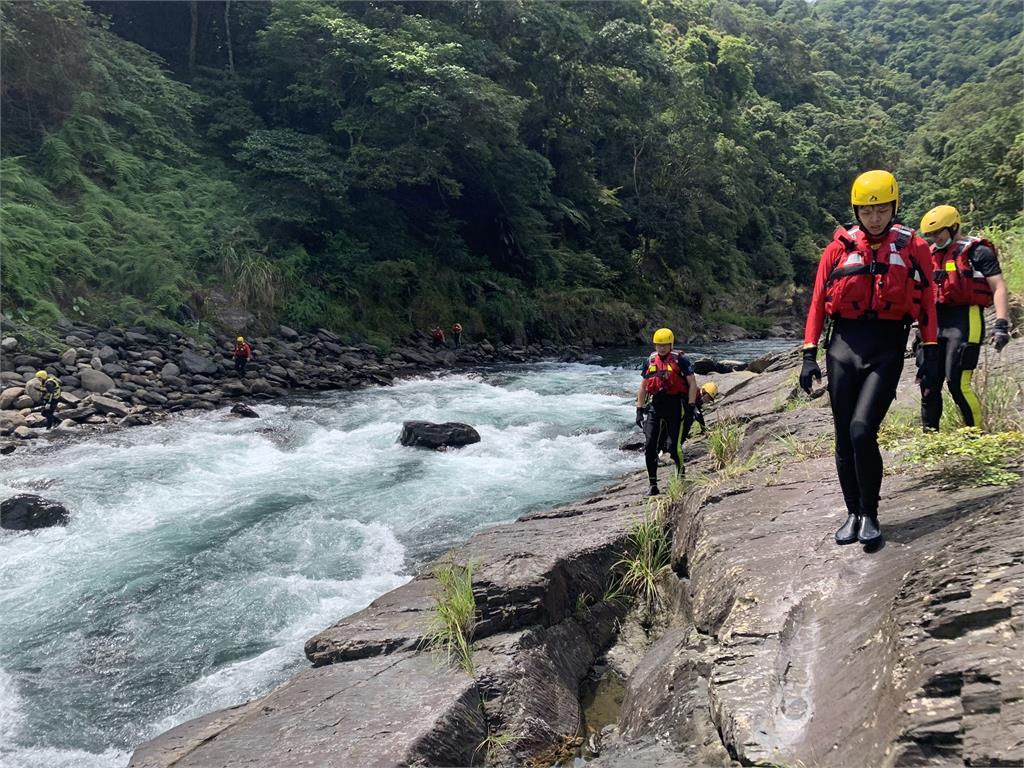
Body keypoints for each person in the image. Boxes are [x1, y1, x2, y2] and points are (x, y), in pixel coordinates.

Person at [799, 170, 939, 547]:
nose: (874, 217)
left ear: (894, 207)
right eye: (866, 211)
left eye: (881, 209)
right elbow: (817, 303)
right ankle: (853, 513)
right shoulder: (838, 249)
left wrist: (930, 350)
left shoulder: (915, 248)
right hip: (843, 345)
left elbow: (927, 301)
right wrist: (809, 353)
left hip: (886, 347)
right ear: (856, 211)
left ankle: (872, 513)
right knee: (844, 436)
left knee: (863, 430)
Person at [917, 204, 1012, 430]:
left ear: (954, 226)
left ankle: (975, 435)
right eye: (930, 234)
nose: (935, 238)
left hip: (965, 319)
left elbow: (998, 286)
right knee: (928, 385)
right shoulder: (929, 255)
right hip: (935, 323)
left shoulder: (978, 251)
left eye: (939, 232)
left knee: (958, 384)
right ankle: (930, 439)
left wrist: (1001, 324)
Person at [636, 328, 697, 497]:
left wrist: (691, 406)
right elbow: (643, 386)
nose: (661, 348)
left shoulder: (681, 360)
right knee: (649, 446)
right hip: (655, 407)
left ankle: (680, 477)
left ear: (670, 344)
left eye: (664, 345)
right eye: (658, 345)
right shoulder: (650, 360)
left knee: (673, 447)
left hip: (675, 406)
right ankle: (653, 484)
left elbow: (692, 384)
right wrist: (639, 409)